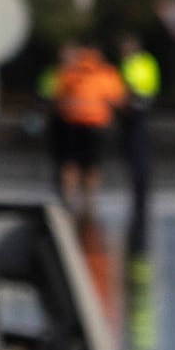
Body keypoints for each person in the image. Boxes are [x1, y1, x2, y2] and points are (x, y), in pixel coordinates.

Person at [44, 38, 126, 218]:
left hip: (71, 123)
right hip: (96, 125)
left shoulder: (69, 70)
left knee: (69, 164)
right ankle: (89, 204)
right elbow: (117, 100)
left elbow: (54, 96)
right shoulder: (106, 72)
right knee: (92, 166)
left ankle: (67, 201)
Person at [113, 22, 166, 257]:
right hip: (131, 115)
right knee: (134, 156)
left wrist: (127, 99)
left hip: (137, 114)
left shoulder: (138, 63)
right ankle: (138, 193)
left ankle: (140, 194)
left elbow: (136, 89)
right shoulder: (135, 63)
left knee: (138, 156)